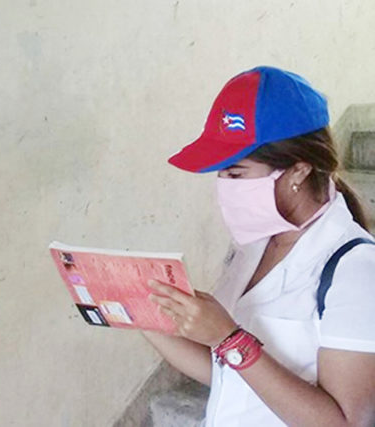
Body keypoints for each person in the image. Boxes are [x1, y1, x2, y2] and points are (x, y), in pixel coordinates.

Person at [141, 66, 375, 426]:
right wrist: (142, 315)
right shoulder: (255, 244)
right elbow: (229, 375)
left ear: (298, 171)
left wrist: (229, 338)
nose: (224, 186)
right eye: (220, 174)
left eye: (235, 173)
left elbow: (344, 422)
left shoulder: (354, 268)